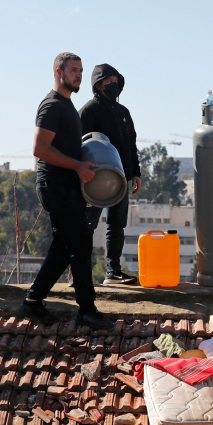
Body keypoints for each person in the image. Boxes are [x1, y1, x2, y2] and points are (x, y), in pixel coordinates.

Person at [17, 52, 113, 329]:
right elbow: (39, 149)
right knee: (80, 245)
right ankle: (87, 310)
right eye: (73, 70)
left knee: (63, 247)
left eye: (81, 70)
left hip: (68, 186)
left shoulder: (67, 105)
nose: (79, 75)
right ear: (58, 72)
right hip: (55, 185)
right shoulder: (52, 105)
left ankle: (32, 302)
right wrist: (77, 166)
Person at [79, 64, 142, 285]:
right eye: (108, 81)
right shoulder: (89, 110)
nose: (113, 84)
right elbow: (77, 144)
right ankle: (77, 272)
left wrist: (135, 173)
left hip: (121, 179)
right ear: (98, 84)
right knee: (87, 225)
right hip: (94, 179)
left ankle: (113, 273)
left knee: (117, 225)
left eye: (115, 81)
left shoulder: (124, 112)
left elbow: (131, 144)